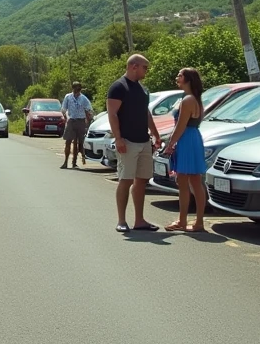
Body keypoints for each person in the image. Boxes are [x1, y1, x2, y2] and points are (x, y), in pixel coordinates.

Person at [106, 54, 162, 232]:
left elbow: (146, 112)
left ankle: (139, 220)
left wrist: (155, 134)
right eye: (145, 67)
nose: (147, 71)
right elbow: (112, 114)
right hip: (127, 141)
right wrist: (118, 138)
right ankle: (121, 221)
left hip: (144, 141)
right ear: (134, 66)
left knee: (142, 180)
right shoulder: (118, 87)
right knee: (126, 180)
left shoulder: (142, 89)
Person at [162, 68, 208, 232]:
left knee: (183, 182)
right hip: (194, 138)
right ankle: (198, 222)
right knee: (195, 181)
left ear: (188, 80)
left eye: (180, 75)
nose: (177, 77)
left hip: (186, 140)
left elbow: (180, 126)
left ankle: (183, 221)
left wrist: (170, 144)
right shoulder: (196, 99)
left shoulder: (187, 100)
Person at [60, 81, 93, 169]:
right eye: (75, 89)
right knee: (68, 141)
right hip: (71, 120)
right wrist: (66, 117)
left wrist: (88, 119)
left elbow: (89, 109)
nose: (77, 91)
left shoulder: (83, 98)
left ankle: (74, 162)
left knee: (78, 142)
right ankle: (65, 162)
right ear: (73, 89)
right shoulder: (68, 97)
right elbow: (63, 109)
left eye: (78, 89)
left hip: (80, 121)